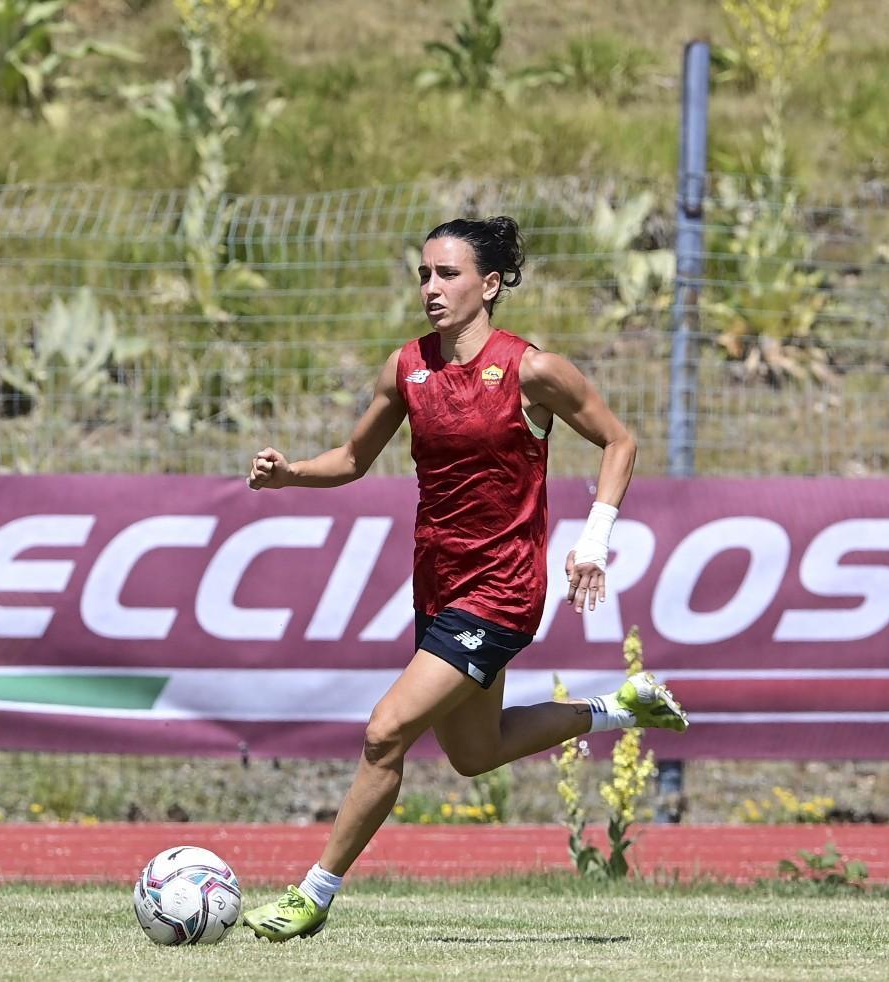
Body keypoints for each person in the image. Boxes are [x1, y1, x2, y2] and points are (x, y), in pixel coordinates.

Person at [239, 216, 688, 942]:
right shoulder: (407, 367)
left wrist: (593, 542)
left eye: (447, 274)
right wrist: (290, 474)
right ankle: (620, 707)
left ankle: (312, 895)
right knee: (474, 755)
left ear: (489, 284)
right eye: (424, 274)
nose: (431, 288)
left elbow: (619, 441)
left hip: (504, 589)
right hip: (438, 586)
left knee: (386, 732)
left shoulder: (532, 370)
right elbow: (353, 459)